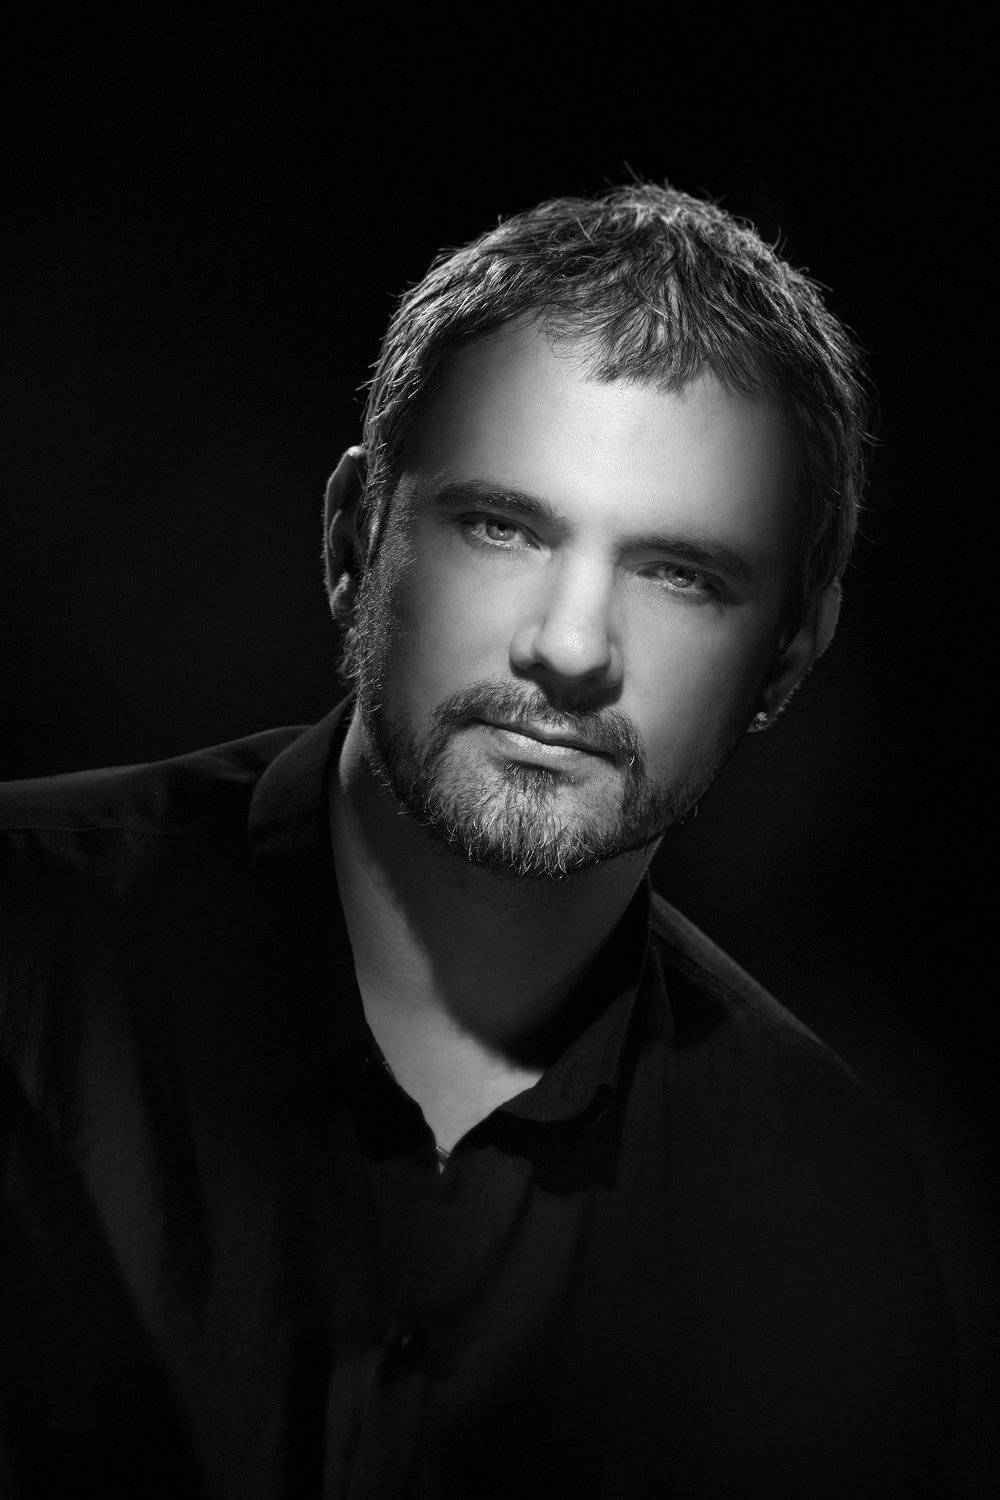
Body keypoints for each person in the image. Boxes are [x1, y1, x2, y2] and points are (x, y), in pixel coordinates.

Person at [0, 183, 955, 1497]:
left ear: (789, 657)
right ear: (354, 537)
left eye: (679, 574)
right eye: (502, 527)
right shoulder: (21, 950)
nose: (570, 647)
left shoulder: (818, 1203)